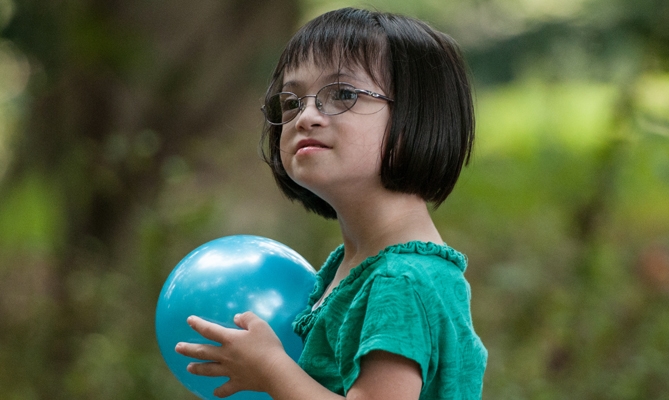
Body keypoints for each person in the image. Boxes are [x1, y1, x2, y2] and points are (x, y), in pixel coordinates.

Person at [175, 7, 487, 400]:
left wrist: (271, 370)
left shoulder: (402, 281)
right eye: (290, 102)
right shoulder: (349, 269)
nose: (306, 116)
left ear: (416, 119)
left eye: (342, 94)